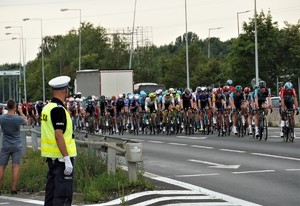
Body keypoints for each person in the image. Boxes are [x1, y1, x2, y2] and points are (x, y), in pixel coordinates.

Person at [41, 76, 77, 206]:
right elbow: (58, 135)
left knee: (50, 197)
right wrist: (67, 158)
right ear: (65, 90)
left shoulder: (47, 108)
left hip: (52, 159)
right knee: (63, 198)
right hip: (62, 160)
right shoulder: (58, 109)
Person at [0, 98, 27, 195]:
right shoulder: (17, 118)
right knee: (15, 166)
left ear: (7, 107)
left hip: (6, 145)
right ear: (15, 107)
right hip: (16, 145)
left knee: (2, 166)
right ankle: (14, 188)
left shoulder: (2, 118)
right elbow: (26, 121)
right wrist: (20, 111)